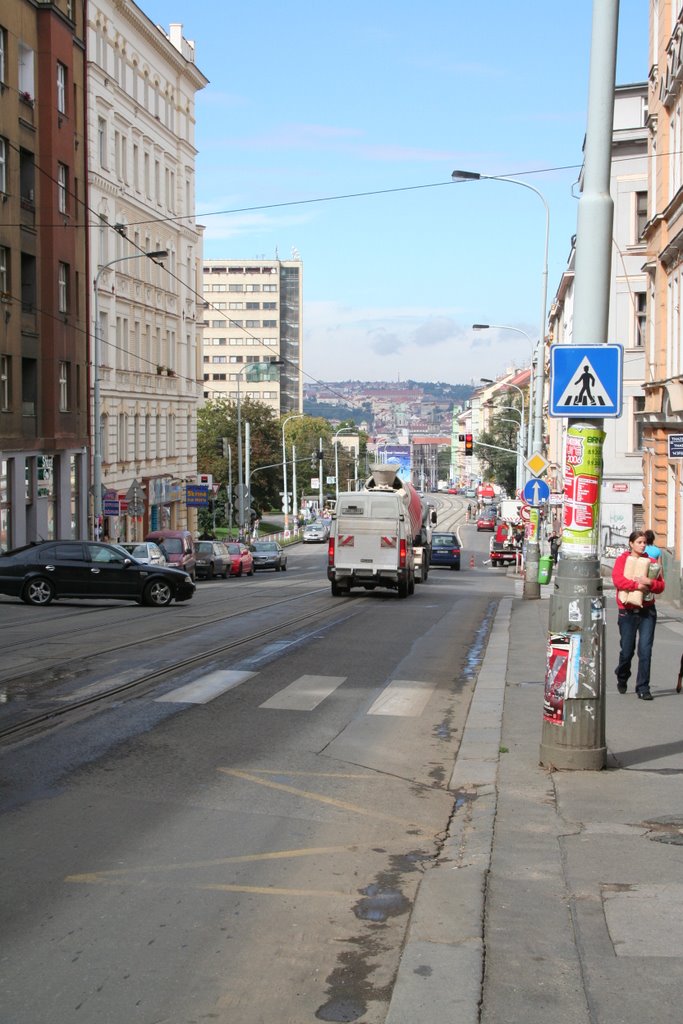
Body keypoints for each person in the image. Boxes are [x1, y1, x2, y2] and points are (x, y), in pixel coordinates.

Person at [612, 529, 665, 700]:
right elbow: (618, 580)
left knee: (645, 650)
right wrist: (637, 585)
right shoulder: (622, 560)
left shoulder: (651, 562)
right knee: (627, 651)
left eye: (644, 543)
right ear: (631, 543)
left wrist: (650, 582)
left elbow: (661, 585)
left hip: (647, 610)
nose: (642, 545)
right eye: (639, 542)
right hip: (627, 611)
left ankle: (643, 687)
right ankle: (622, 674)